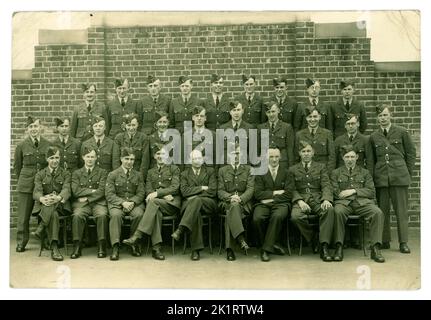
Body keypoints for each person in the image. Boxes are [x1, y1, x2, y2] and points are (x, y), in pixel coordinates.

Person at [368, 105, 416, 253]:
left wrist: (406, 172)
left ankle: (403, 242)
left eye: (385, 115)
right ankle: (385, 240)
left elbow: (411, 153)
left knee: (401, 211)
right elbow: (371, 161)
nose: (383, 118)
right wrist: (372, 179)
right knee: (383, 211)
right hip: (381, 178)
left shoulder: (401, 132)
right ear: (377, 118)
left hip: (399, 177)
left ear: (390, 116)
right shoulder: (373, 137)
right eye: (380, 116)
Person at [123, 144, 181, 260]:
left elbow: (175, 187)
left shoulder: (174, 168)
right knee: (155, 212)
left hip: (171, 204)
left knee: (153, 202)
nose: (160, 156)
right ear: (154, 156)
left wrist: (158, 194)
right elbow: (148, 190)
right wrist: (161, 195)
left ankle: (137, 235)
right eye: (158, 154)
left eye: (163, 154)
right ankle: (156, 248)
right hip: (157, 204)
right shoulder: (150, 172)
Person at [331, 145, 385, 262]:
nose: (349, 159)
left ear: (357, 157)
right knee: (337, 212)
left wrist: (353, 191)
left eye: (352, 156)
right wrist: (352, 194)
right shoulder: (335, 173)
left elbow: (371, 191)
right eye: (347, 157)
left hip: (362, 203)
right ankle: (338, 246)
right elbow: (336, 193)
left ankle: (375, 248)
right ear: (342, 158)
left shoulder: (365, 172)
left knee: (377, 212)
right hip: (343, 204)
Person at [289, 141, 334, 262]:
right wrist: (299, 201)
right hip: (301, 199)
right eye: (303, 151)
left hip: (317, 198)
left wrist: (326, 199)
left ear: (313, 153)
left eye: (308, 151)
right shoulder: (292, 169)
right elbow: (291, 188)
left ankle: (324, 246)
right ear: (299, 153)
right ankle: (313, 237)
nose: (306, 154)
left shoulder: (321, 167)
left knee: (329, 210)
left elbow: (326, 184)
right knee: (295, 217)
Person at [172, 150, 218, 261]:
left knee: (196, 200)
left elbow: (212, 191)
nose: (197, 161)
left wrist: (194, 195)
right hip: (190, 207)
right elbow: (184, 192)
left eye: (199, 158)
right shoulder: (184, 174)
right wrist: (202, 188)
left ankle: (181, 229)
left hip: (208, 203)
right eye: (194, 159)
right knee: (195, 214)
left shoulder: (210, 171)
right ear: (190, 160)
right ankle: (195, 250)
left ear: (202, 159)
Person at [14, 116, 51, 252]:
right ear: (27, 129)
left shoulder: (47, 144)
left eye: (36, 126)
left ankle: (46, 240)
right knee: (23, 215)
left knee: (45, 212)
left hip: (43, 183)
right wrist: (23, 181)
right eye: (31, 127)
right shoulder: (21, 146)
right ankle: (21, 242)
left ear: (40, 128)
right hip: (26, 183)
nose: (33, 129)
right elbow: (17, 167)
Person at [31, 146, 71, 261]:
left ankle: (42, 226)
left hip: (61, 205)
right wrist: (43, 199)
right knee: (53, 214)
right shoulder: (40, 174)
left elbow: (67, 189)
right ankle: (54, 247)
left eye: (57, 157)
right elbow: (37, 191)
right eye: (52, 158)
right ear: (47, 159)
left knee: (53, 207)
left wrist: (58, 197)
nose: (55, 160)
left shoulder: (66, 173)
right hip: (46, 205)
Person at [105, 147, 145, 260]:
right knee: (115, 215)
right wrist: (123, 203)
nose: (129, 162)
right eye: (126, 158)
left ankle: (134, 244)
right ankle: (115, 246)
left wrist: (132, 202)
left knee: (139, 215)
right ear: (121, 159)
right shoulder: (112, 174)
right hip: (117, 203)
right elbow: (109, 194)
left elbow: (141, 192)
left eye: (132, 159)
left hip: (134, 203)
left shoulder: (138, 174)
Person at [253, 147, 292, 262]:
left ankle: (265, 249)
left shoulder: (287, 172)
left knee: (277, 216)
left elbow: (289, 194)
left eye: (276, 157)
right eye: (271, 157)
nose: (274, 160)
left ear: (280, 157)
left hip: (281, 204)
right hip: (262, 204)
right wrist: (275, 192)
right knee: (257, 218)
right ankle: (272, 244)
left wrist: (271, 199)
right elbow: (258, 194)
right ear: (266, 158)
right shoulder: (260, 172)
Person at [218, 143, 254, 261]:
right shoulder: (222, 170)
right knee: (231, 208)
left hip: (244, 204)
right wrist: (230, 197)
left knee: (231, 211)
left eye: (238, 153)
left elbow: (251, 189)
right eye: (233, 153)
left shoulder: (249, 169)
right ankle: (240, 238)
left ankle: (230, 249)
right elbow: (220, 191)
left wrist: (241, 199)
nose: (236, 156)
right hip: (226, 203)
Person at [70, 147, 109, 259]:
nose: (90, 159)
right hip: (81, 205)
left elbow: (102, 191)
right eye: (88, 157)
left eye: (92, 157)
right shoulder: (77, 173)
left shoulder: (103, 172)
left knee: (102, 215)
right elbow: (76, 191)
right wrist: (92, 191)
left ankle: (102, 245)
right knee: (77, 216)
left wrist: (87, 198)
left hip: (98, 203)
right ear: (83, 158)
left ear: (96, 158)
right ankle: (77, 246)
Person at [295, 108, 336, 172]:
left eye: (315, 116)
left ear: (319, 117)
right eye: (310, 117)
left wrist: (328, 172)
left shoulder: (327, 133)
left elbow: (332, 156)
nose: (312, 119)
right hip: (306, 170)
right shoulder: (299, 134)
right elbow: (296, 157)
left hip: (323, 170)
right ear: (306, 118)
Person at [258, 101, 294, 169]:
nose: (271, 114)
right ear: (266, 113)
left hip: (282, 163)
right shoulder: (261, 128)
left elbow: (290, 149)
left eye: (273, 111)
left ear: (278, 111)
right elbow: (258, 149)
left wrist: (290, 166)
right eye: (268, 112)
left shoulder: (287, 127)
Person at [114, 113, 150, 179]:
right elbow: (115, 160)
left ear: (137, 125)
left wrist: (140, 177)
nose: (131, 128)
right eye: (128, 125)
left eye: (133, 125)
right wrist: (118, 176)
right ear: (125, 126)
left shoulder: (143, 138)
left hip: (137, 173)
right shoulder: (119, 138)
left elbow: (145, 161)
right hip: (121, 175)